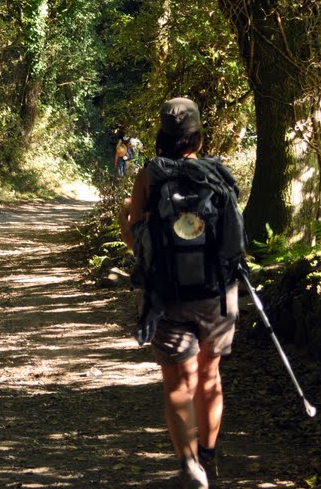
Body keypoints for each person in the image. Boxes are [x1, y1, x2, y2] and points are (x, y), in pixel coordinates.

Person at [119, 98, 239, 489]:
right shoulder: (218, 174)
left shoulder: (148, 177)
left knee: (178, 384)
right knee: (210, 377)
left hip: (167, 296)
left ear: (161, 136)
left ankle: (188, 465)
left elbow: (137, 243)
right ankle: (209, 456)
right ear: (198, 137)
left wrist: (127, 216)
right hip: (215, 295)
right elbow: (234, 241)